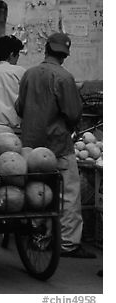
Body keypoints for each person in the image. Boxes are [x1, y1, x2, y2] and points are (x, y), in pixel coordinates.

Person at [15, 32, 95, 259]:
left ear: (46, 49)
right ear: (65, 55)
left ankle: (37, 235)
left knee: (37, 191)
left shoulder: (29, 74)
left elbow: (19, 107)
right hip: (57, 144)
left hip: (30, 145)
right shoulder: (64, 77)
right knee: (68, 193)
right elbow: (72, 113)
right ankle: (68, 243)